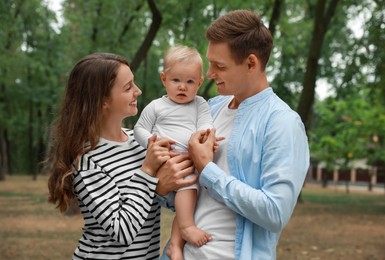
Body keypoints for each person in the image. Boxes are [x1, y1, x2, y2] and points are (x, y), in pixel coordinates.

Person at [162, 9, 310, 260]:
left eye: (219, 65)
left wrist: (208, 169)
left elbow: (275, 213)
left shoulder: (282, 123)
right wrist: (164, 186)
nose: (209, 73)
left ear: (251, 63)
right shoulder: (209, 109)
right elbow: (189, 191)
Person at [46, 53, 197, 260]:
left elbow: (170, 198)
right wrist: (148, 172)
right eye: (128, 88)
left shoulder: (141, 141)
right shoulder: (88, 161)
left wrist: (167, 186)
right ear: (102, 101)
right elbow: (122, 231)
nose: (138, 91)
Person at [134, 45, 214, 258]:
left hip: (189, 159)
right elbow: (139, 129)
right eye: (176, 80)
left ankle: (175, 245)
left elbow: (206, 124)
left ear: (199, 82)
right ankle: (186, 228)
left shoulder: (199, 104)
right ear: (164, 79)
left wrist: (203, 137)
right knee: (188, 189)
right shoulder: (156, 106)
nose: (182, 87)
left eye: (189, 82)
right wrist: (153, 142)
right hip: (164, 159)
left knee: (192, 190)